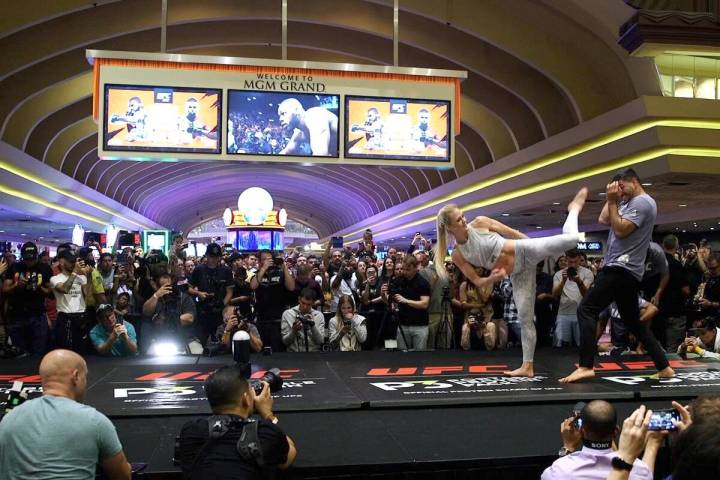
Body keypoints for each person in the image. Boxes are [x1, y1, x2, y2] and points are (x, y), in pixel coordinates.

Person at [435, 187, 588, 377]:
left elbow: (511, 232)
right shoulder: (458, 254)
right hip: (517, 272)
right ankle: (527, 366)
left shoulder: (480, 222)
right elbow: (476, 280)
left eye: (463, 215)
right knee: (525, 318)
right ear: (449, 228)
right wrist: (492, 278)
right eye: (459, 219)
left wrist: (535, 246)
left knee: (572, 240)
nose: (464, 220)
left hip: (524, 250)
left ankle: (573, 209)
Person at [561, 170, 673, 383]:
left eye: (623, 187)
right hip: (625, 271)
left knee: (586, 309)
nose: (620, 191)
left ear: (634, 181)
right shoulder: (626, 202)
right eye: (618, 188)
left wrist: (614, 200)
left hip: (621, 268)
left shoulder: (643, 202)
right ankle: (664, 367)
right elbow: (604, 219)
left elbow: (620, 230)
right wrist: (612, 197)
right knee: (633, 321)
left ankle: (585, 366)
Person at [0, 349, 132, 479]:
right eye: (85, 377)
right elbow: (123, 476)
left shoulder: (9, 419)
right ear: (75, 377)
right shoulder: (94, 420)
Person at [176, 365, 296, 479]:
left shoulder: (191, 431)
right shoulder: (265, 433)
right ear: (245, 399)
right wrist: (267, 414)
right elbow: (289, 455)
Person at [541, 400, 657, 480]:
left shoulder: (562, 470)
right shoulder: (640, 469)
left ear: (582, 431)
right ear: (616, 431)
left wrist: (567, 447)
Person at [1, 242, 53, 355]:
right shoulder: (15, 267)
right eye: (27, 258)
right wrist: (16, 285)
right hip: (17, 314)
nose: (29, 261)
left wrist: (39, 287)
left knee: (38, 351)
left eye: (32, 259)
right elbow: (5, 289)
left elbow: (50, 292)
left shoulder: (44, 268)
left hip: (37, 314)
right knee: (19, 352)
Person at [381, 255, 431, 350]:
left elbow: (424, 304)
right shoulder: (398, 280)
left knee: (419, 355)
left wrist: (406, 301)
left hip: (419, 325)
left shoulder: (422, 282)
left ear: (416, 268)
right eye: (404, 269)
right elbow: (389, 302)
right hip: (402, 324)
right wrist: (383, 294)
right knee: (402, 356)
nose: (405, 272)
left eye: (408, 269)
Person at [188, 243, 233, 345]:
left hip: (220, 311)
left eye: (216, 257)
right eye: (211, 257)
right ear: (206, 256)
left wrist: (222, 304)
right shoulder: (199, 270)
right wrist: (199, 293)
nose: (213, 259)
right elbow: (189, 288)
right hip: (203, 310)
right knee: (202, 340)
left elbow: (229, 292)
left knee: (220, 340)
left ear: (219, 257)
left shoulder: (226, 271)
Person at [251, 250, 295, 352]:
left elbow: (291, 287)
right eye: (265, 259)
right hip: (262, 319)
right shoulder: (257, 274)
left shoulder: (280, 272)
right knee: (262, 350)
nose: (268, 261)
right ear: (260, 261)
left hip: (278, 319)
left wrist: (284, 268)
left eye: (270, 259)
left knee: (278, 350)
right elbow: (253, 286)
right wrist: (263, 269)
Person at [142, 272, 196, 353]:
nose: (167, 289)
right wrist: (156, 295)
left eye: (169, 286)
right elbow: (146, 311)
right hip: (159, 340)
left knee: (198, 352)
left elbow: (189, 318)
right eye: (164, 287)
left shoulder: (184, 298)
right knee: (149, 354)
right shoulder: (156, 299)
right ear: (157, 287)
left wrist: (166, 320)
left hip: (184, 338)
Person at [50, 248, 92, 353]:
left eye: (74, 261)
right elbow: (64, 289)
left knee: (81, 349)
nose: (74, 264)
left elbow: (88, 295)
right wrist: (74, 273)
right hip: (65, 318)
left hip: (81, 316)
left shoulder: (81, 278)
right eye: (71, 261)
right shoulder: (55, 278)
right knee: (65, 350)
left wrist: (89, 275)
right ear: (62, 262)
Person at [552, 249, 594, 347]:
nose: (573, 265)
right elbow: (554, 294)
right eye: (570, 262)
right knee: (561, 347)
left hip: (581, 314)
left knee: (581, 346)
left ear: (580, 260)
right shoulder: (559, 274)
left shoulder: (587, 273)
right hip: (563, 314)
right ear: (566, 260)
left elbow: (586, 295)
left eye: (575, 262)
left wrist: (579, 281)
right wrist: (563, 281)